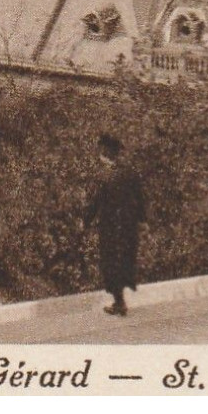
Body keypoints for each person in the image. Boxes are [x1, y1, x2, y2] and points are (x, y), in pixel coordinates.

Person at [84, 132, 145, 316]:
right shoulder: (130, 172)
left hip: (111, 227)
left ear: (106, 152)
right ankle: (120, 300)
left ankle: (119, 302)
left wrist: (85, 222)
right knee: (124, 261)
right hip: (128, 226)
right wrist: (142, 219)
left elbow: (94, 202)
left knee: (110, 263)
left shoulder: (103, 176)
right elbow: (140, 199)